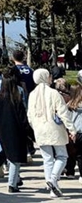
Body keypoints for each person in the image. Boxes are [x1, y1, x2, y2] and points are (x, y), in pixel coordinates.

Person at [27, 68, 77, 197]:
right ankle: (53, 180)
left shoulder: (32, 94)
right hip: (55, 130)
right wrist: (71, 129)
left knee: (47, 159)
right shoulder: (54, 93)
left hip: (39, 130)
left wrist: (35, 127)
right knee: (62, 156)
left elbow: (29, 116)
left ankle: (52, 188)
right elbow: (63, 113)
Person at [0, 68, 29, 193]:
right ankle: (12, 184)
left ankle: (14, 177)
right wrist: (29, 132)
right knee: (15, 158)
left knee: (8, 153)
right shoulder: (17, 98)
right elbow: (23, 117)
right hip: (16, 131)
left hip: (2, 129)